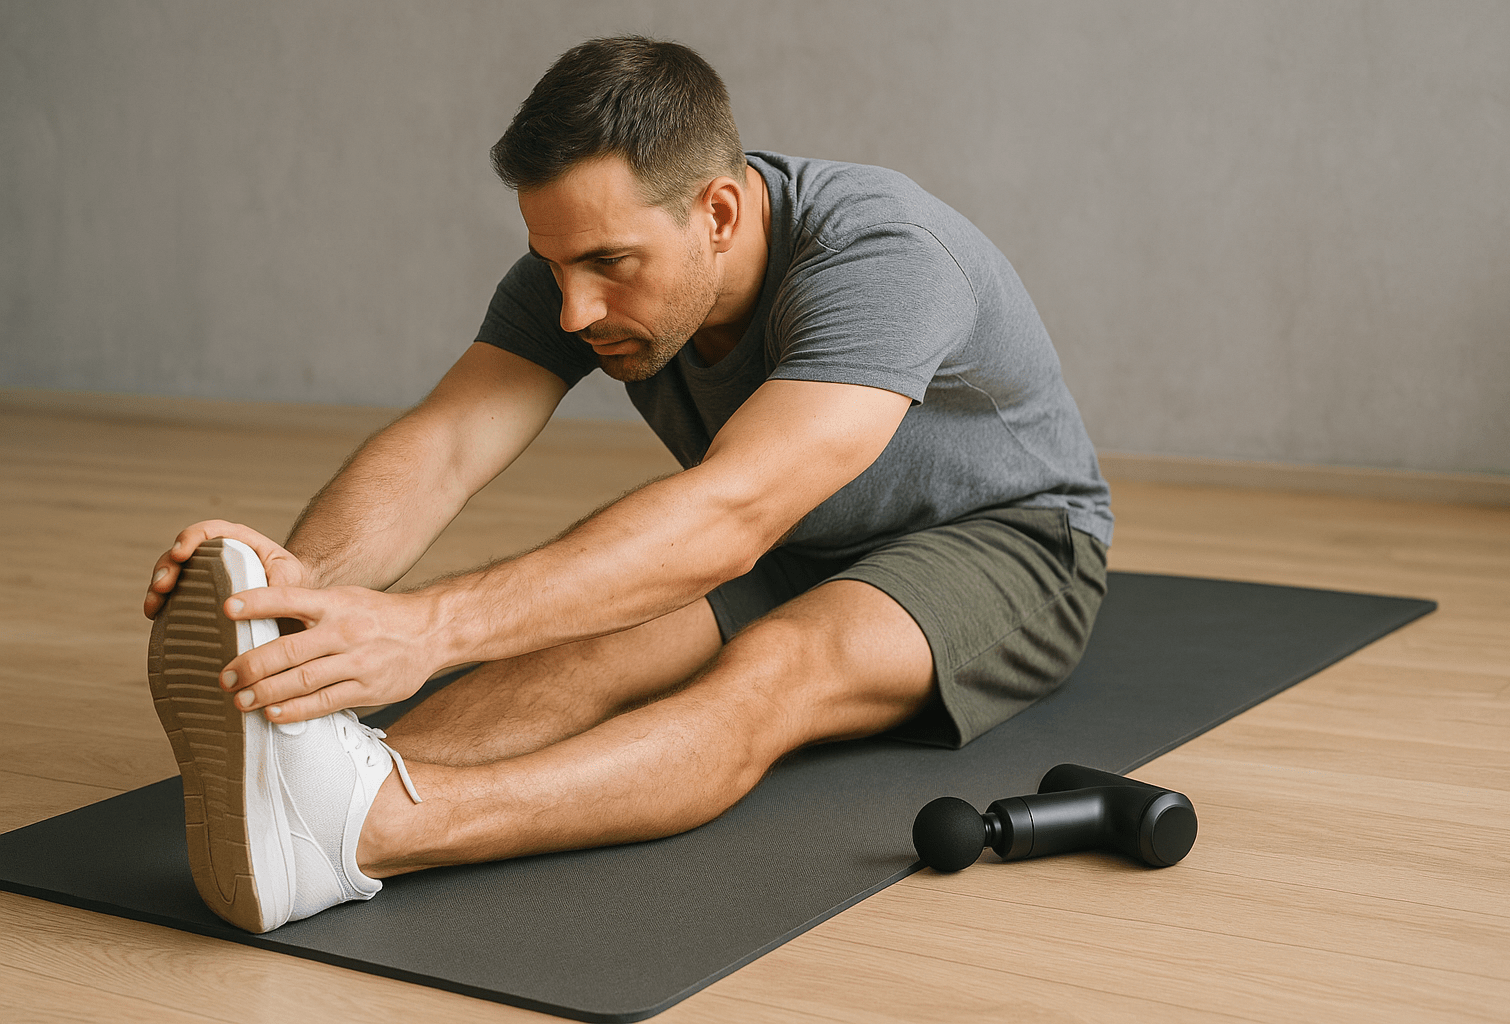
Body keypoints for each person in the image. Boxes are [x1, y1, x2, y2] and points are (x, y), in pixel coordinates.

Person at [143, 36, 1113, 934]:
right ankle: (318, 776)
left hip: (1009, 538)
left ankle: (370, 832)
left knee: (777, 668)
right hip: (797, 531)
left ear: (718, 214)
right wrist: (294, 593)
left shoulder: (884, 259)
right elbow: (446, 445)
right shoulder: (585, 263)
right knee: (581, 644)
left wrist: (428, 629)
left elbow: (732, 512)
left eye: (609, 264)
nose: (574, 308)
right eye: (554, 264)